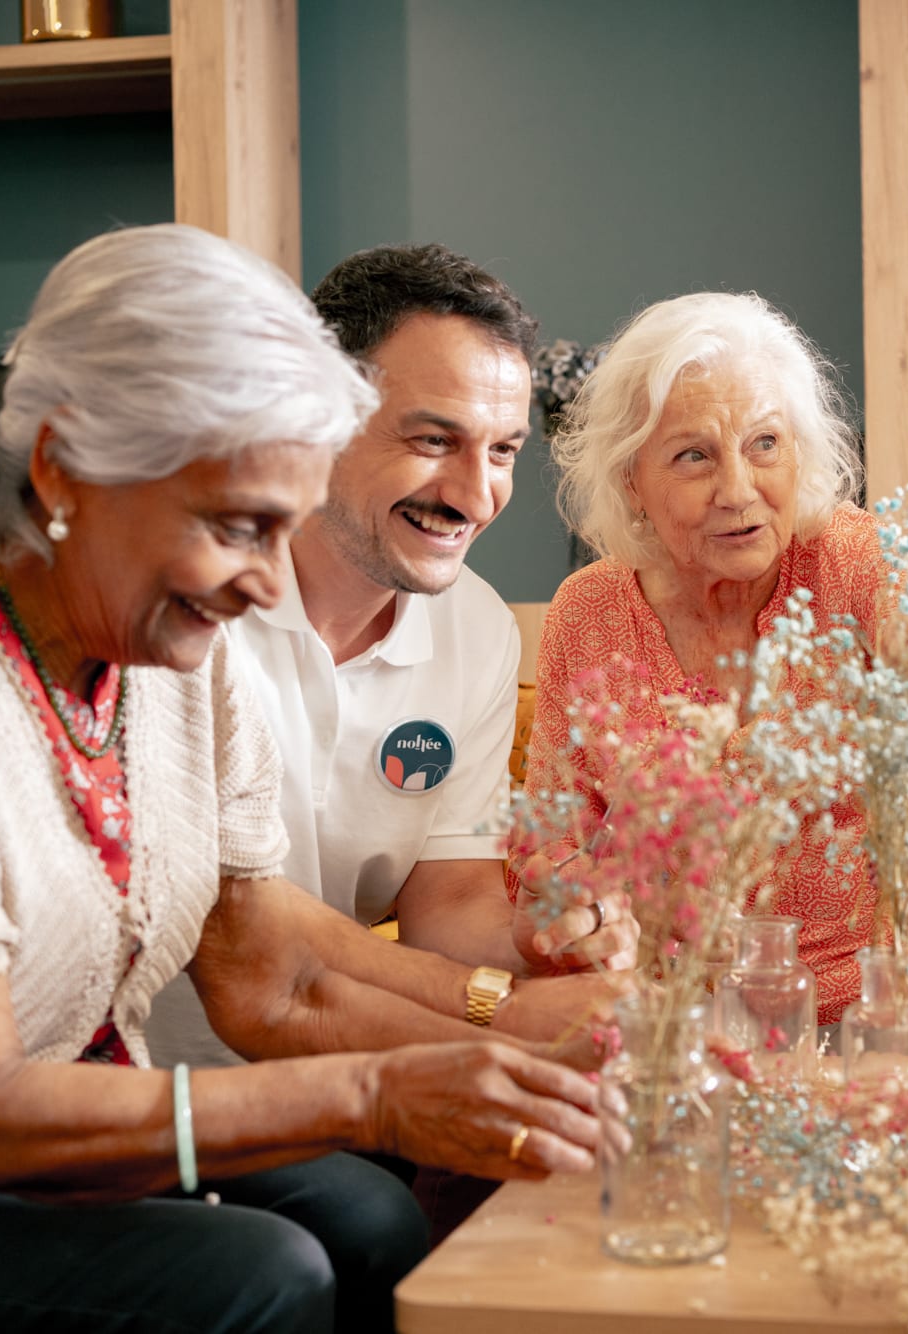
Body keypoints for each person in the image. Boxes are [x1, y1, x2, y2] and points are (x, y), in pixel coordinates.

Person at [0, 224, 600, 1334]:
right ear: (62, 463)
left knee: (370, 1223)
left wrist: (532, 1051)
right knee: (263, 1273)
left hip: (51, 1156)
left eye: (285, 527)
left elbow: (272, 966)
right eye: (237, 527)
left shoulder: (163, 648)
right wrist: (376, 1090)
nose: (266, 581)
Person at [147, 245, 633, 1084]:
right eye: (434, 439)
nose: (477, 496)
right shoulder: (184, 609)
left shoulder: (476, 629)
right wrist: (505, 1014)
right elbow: (240, 932)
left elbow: (447, 904)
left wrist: (534, 940)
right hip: (143, 1085)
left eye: (505, 451)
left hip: (343, 1062)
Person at [519, 292, 908, 1026]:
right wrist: (580, 913)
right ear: (632, 481)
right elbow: (550, 848)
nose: (739, 490)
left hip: (892, 1005)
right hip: (679, 1020)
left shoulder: (854, 557)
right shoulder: (587, 612)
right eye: (694, 456)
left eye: (765, 444)